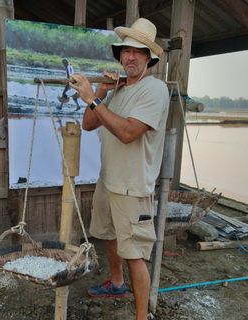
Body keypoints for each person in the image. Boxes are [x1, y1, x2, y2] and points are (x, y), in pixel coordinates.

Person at [69, 18, 169, 320]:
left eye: (138, 51)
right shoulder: (118, 89)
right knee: (108, 235)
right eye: (126, 50)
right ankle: (116, 283)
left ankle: (142, 316)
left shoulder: (155, 90)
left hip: (132, 186)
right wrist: (100, 90)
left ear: (148, 57)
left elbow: (127, 133)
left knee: (135, 254)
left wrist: (90, 98)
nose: (131, 57)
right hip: (108, 180)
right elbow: (89, 124)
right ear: (120, 54)